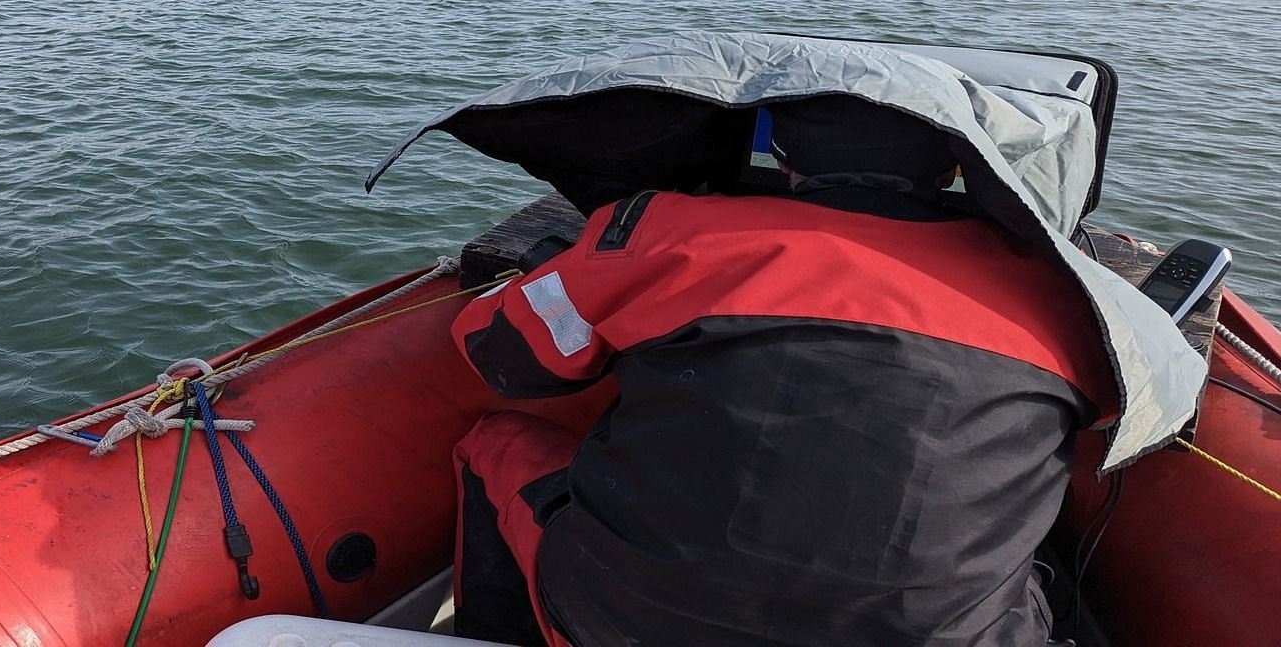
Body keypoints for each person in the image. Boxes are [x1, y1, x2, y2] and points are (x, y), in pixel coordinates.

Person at [448, 94, 1117, 646]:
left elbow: (499, 355)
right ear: (953, 171)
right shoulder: (1067, 293)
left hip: (621, 623)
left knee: (492, 447)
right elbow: (1134, 418)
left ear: (784, 156)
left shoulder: (660, 231)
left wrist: (567, 271)